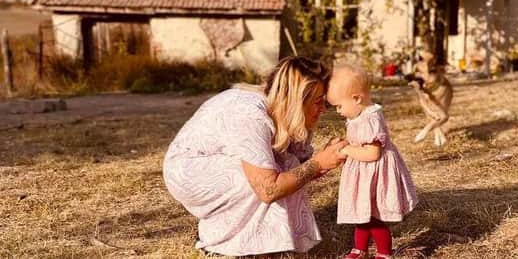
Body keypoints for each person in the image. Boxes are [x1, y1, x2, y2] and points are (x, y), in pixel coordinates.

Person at [163, 56, 348, 256]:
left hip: (218, 160)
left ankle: (265, 241)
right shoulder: (251, 115)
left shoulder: (283, 110)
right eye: (318, 102)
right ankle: (224, 243)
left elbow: (299, 169)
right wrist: (319, 163)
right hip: (189, 171)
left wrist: (327, 160)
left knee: (285, 166)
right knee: (262, 179)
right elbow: (269, 189)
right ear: (296, 100)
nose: (323, 109)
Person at [327, 63, 418, 259]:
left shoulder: (371, 119)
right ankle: (360, 248)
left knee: (374, 216)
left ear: (357, 99)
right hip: (364, 174)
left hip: (375, 175)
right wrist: (344, 143)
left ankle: (384, 252)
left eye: (339, 106)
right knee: (362, 212)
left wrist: (347, 149)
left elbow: (372, 153)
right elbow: (358, 142)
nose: (338, 111)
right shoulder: (358, 116)